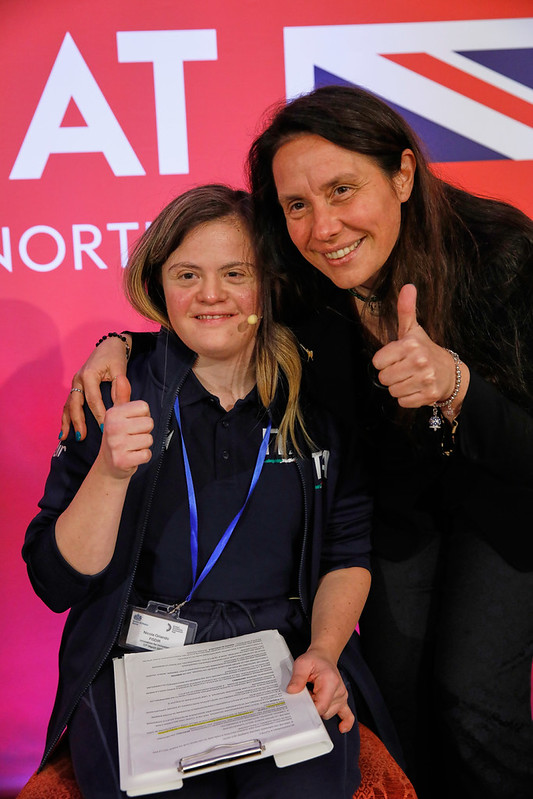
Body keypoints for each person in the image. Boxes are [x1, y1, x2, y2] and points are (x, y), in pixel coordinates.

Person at [64, 86, 533, 799]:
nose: (323, 226)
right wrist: (120, 342)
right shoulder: (302, 276)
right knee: (394, 696)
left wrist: (457, 385)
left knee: (472, 701)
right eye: (296, 204)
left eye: (343, 189)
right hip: (398, 513)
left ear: (402, 175)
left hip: (506, 502)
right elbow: (206, 305)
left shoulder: (501, 254)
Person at [23, 184, 389, 799]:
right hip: (142, 666)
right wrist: (110, 474)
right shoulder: (111, 389)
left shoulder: (318, 399)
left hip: (281, 662)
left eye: (235, 273)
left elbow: (346, 555)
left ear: (268, 282)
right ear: (158, 285)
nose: (211, 295)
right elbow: (56, 584)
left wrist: (325, 651)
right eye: (187, 274)